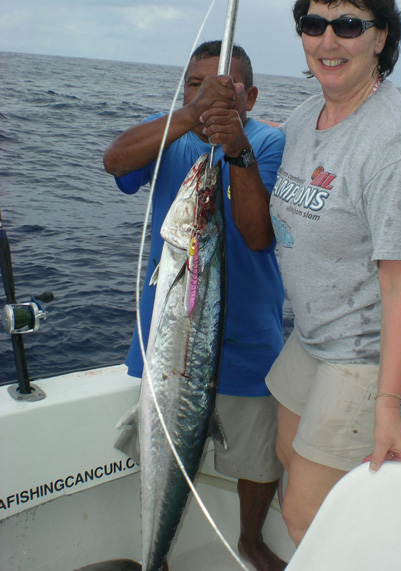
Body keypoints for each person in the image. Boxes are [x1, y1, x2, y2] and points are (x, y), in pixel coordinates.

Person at [265, 0, 401, 546]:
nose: (328, 39)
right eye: (313, 22)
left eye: (348, 24)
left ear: (381, 38)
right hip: (318, 332)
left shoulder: (397, 139)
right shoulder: (303, 117)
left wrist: (387, 404)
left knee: (306, 515)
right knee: (286, 459)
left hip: (373, 347)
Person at [104, 41, 287, 571]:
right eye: (194, 85)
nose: (207, 96)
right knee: (159, 445)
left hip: (250, 338)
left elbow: (257, 237)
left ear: (249, 96)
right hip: (166, 336)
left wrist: (235, 150)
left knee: (258, 453)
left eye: (224, 89)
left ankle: (250, 541)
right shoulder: (170, 132)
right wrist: (189, 115)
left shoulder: (268, 141)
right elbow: (115, 161)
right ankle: (154, 555)